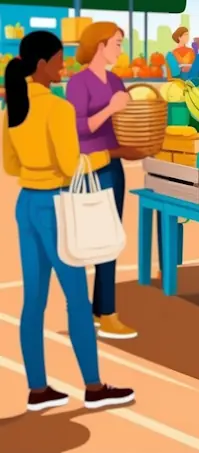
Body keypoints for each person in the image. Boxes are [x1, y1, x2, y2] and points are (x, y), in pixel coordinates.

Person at [4, 31, 137, 411]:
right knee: (77, 301)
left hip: (26, 204)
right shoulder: (57, 109)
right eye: (60, 59)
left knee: (33, 301)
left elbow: (10, 165)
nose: (64, 66)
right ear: (43, 64)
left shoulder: (10, 107)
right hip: (57, 207)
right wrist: (112, 155)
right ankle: (93, 387)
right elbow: (69, 165)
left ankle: (38, 388)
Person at [66, 22, 143, 340]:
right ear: (99, 45)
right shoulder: (78, 83)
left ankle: (104, 309)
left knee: (110, 239)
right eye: (116, 43)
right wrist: (111, 108)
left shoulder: (115, 80)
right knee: (84, 242)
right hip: (88, 169)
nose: (120, 50)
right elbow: (78, 128)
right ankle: (88, 312)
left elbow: (123, 123)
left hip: (113, 167)